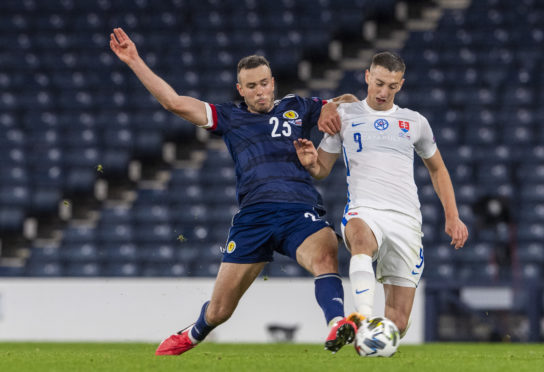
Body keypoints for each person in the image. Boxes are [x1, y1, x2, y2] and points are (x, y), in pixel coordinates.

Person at [109, 27, 359, 355]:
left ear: (273, 82)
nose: (260, 91)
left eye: (264, 83)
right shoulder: (229, 117)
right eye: (251, 86)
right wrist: (134, 61)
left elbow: (351, 103)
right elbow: (174, 103)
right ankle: (194, 333)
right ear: (240, 90)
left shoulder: (298, 107)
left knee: (326, 252)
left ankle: (337, 323)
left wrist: (334, 105)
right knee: (220, 310)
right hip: (253, 218)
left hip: (298, 209)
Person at [294, 51, 469, 350]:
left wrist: (452, 216)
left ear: (400, 85)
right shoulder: (344, 116)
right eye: (378, 83)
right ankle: (360, 318)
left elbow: (438, 169)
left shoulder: (415, 122)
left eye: (391, 86)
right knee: (360, 239)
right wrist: (310, 162)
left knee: (396, 325)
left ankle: (371, 338)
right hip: (365, 210)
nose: (383, 92)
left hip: (406, 220)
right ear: (367, 77)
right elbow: (321, 169)